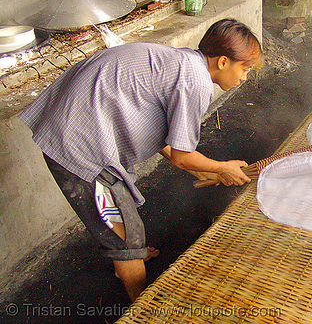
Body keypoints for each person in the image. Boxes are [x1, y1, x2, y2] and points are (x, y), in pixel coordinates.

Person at [18, 18, 262, 302]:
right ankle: (140, 303)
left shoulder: (183, 62)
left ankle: (128, 256)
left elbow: (158, 131)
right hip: (76, 144)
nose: (244, 77)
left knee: (125, 228)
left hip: (73, 123)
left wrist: (204, 169)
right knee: (127, 236)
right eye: (244, 69)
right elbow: (183, 157)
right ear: (222, 62)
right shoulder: (195, 83)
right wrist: (220, 167)